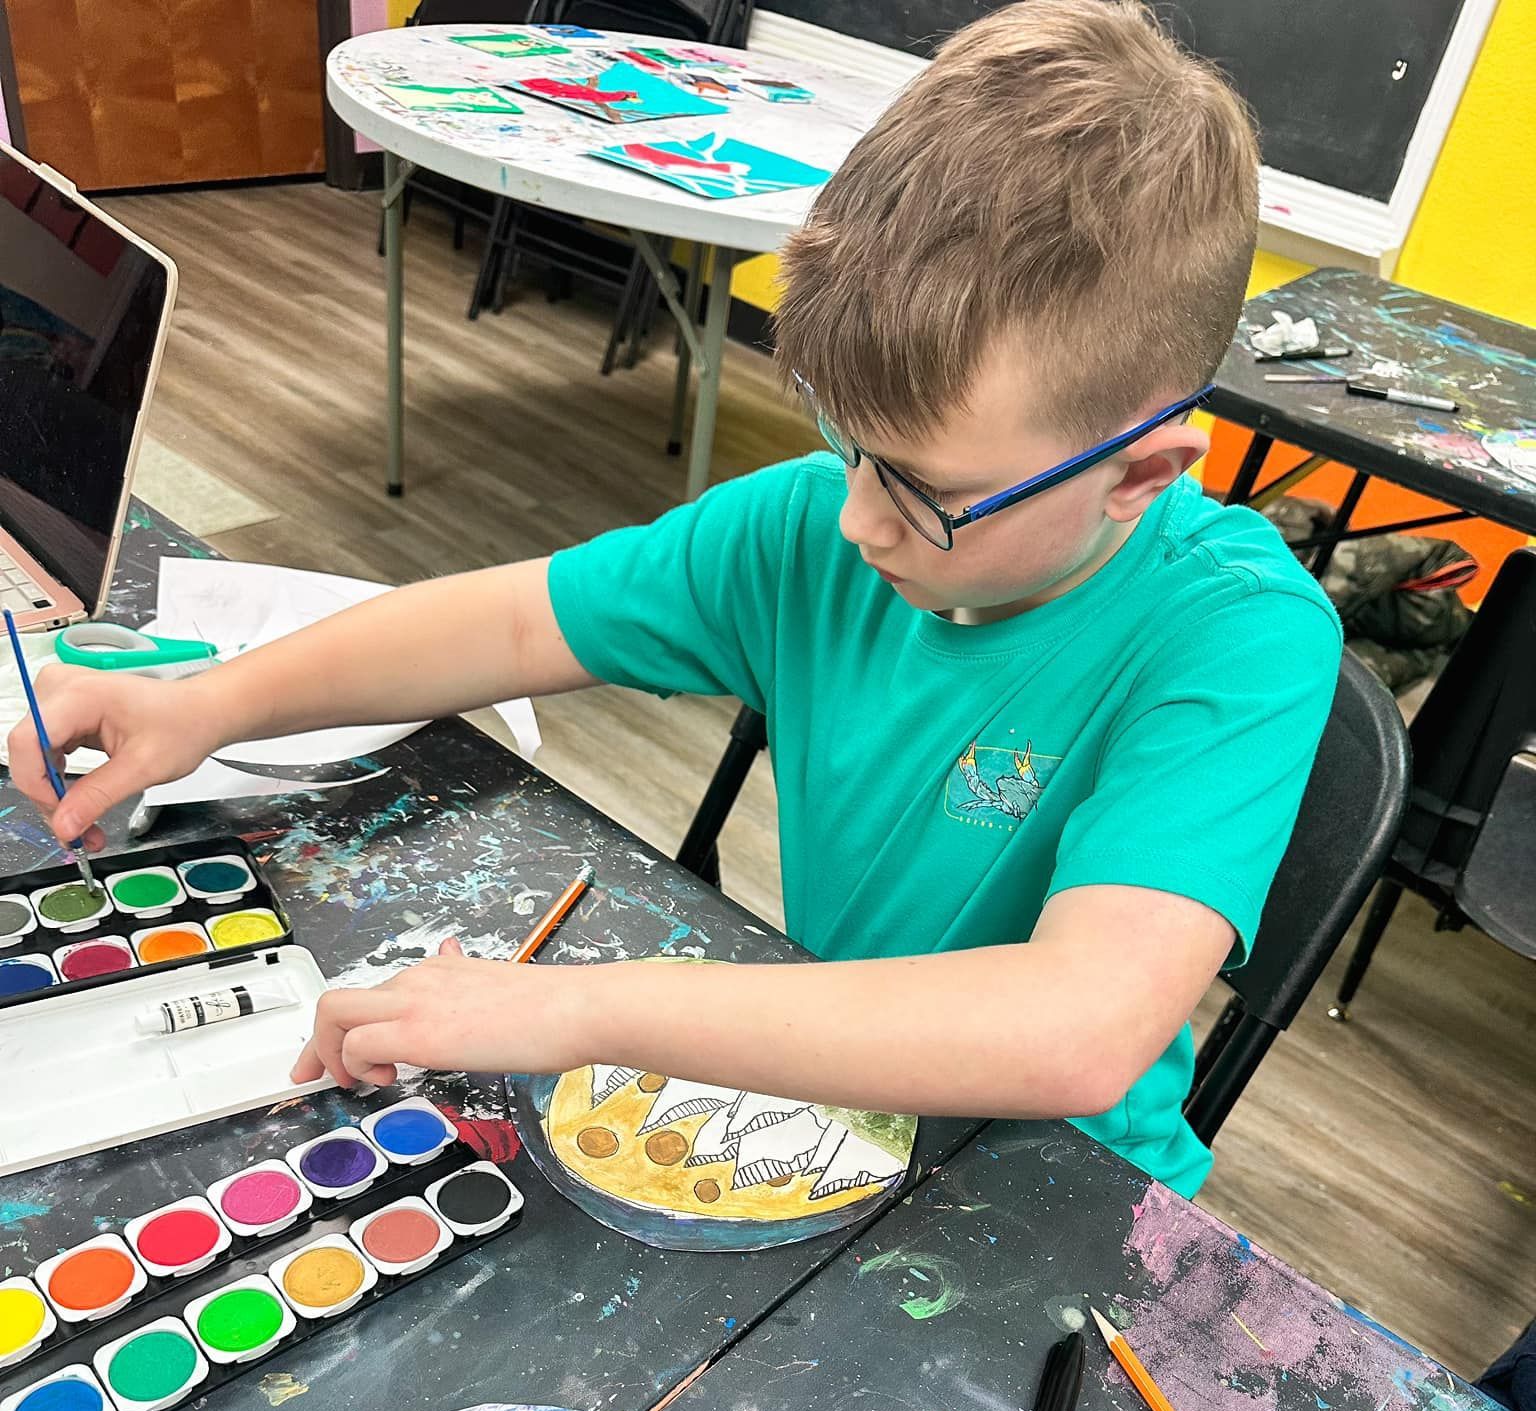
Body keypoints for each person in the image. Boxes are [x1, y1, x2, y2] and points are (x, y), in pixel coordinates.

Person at [6, 0, 1341, 1199]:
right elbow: (517, 621)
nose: (861, 517)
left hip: (1054, 1193)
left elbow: (1075, 1028)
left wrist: (578, 1011)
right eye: (848, 439)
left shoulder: (1240, 637)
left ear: (1142, 474)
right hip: (828, 1103)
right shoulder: (819, 521)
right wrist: (207, 701)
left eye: (928, 490)